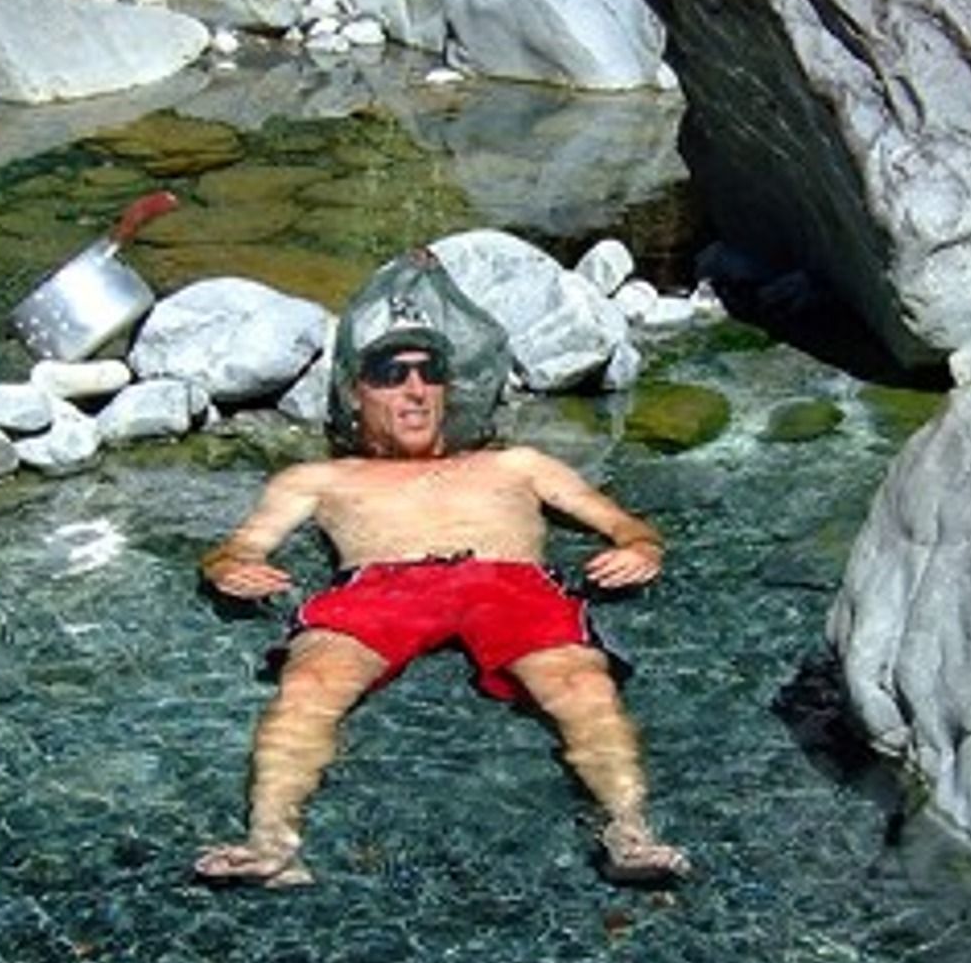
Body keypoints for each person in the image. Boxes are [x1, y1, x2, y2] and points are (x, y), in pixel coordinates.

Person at [194, 326, 689, 890]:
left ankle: (629, 830)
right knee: (311, 678)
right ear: (358, 393)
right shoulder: (319, 478)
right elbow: (242, 544)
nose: (416, 390)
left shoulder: (516, 464)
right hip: (381, 583)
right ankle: (271, 841)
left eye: (430, 376)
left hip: (508, 579)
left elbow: (622, 522)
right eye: (392, 376)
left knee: (581, 683)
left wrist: (641, 547)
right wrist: (228, 566)